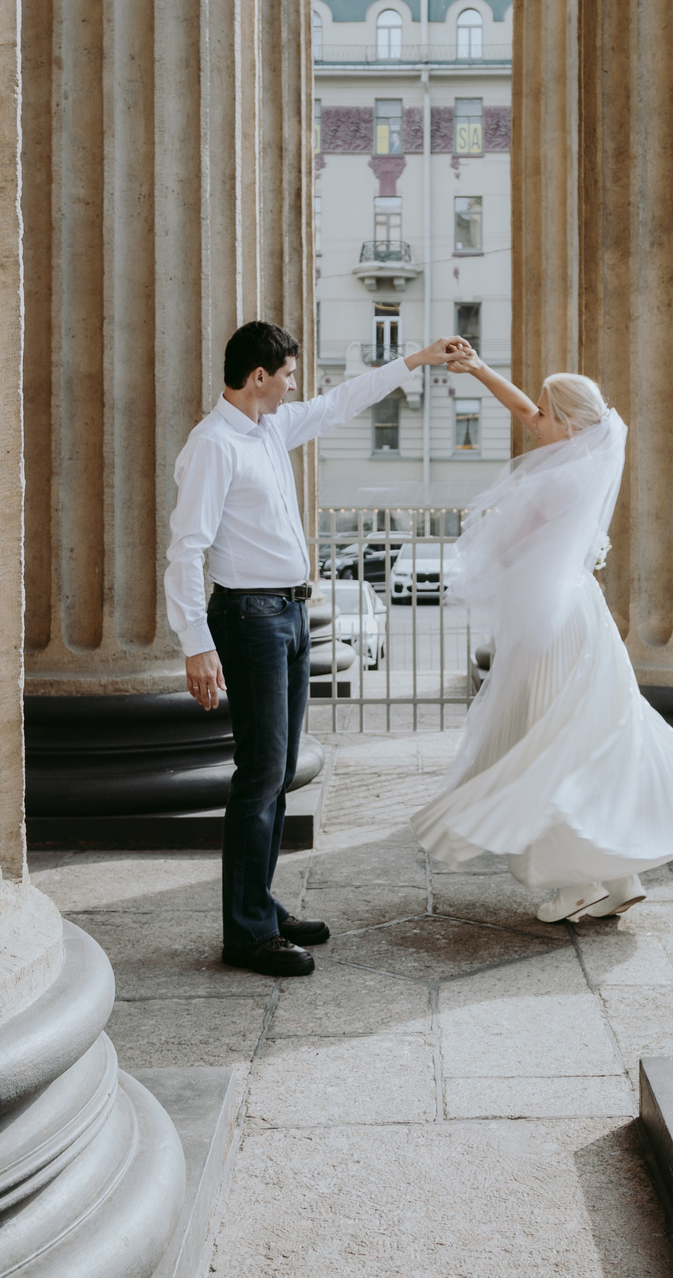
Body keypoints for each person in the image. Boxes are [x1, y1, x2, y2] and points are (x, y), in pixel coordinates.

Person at [167, 321, 474, 975]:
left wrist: (415, 360)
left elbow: (341, 402)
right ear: (259, 378)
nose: (294, 387)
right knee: (259, 774)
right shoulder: (214, 445)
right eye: (288, 376)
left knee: (276, 773)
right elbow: (186, 549)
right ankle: (247, 933)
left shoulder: (269, 429)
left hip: (288, 612)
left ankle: (262, 905)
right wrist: (197, 643)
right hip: (248, 619)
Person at [412, 359, 673, 921]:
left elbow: (509, 547)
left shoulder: (559, 478)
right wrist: (480, 369)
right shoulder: (587, 458)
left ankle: (574, 882)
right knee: (589, 733)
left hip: (552, 624)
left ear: (571, 425)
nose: (536, 417)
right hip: (582, 613)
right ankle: (618, 875)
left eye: (547, 411)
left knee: (549, 742)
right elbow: (525, 413)